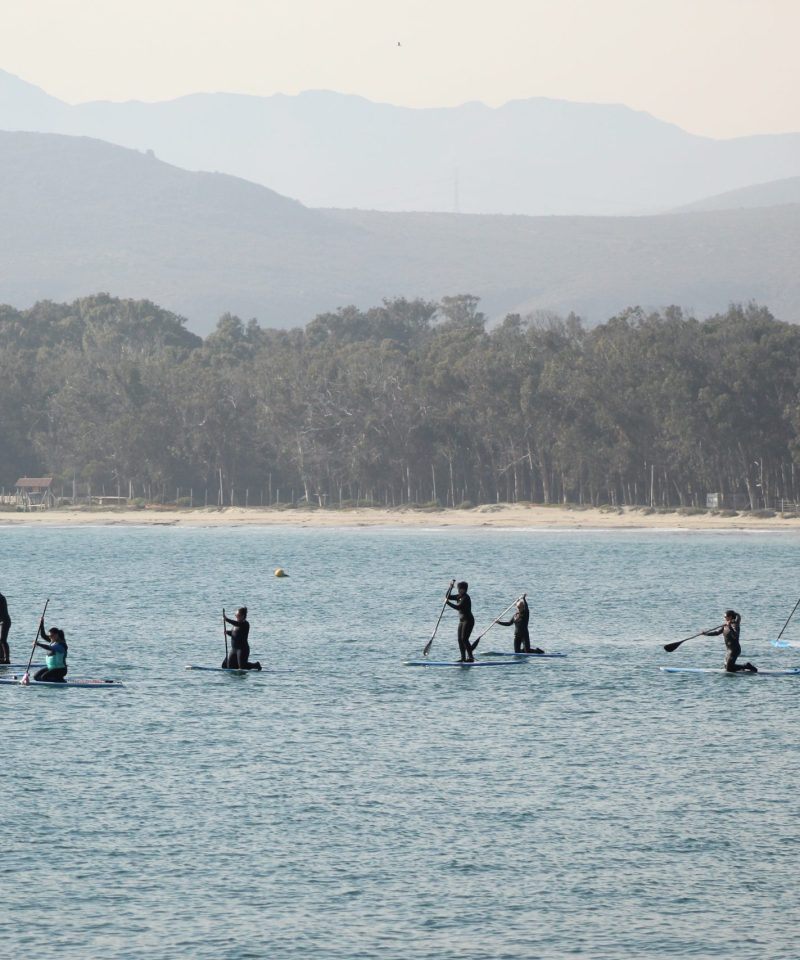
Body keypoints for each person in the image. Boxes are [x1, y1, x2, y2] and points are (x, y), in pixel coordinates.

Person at [445, 581, 475, 662]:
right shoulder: (459, 596)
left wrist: (448, 603)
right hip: (461, 621)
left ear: (465, 589)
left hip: (468, 621)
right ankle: (463, 658)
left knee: (464, 639)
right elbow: (447, 596)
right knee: (459, 639)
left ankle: (471, 658)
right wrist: (450, 588)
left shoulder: (466, 597)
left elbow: (459, 607)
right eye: (459, 589)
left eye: (461, 589)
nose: (459, 590)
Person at [0, 590, 10, 664]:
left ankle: (7, 659)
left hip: (5, 622)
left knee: (2, 640)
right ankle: (1, 658)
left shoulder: (1, 598)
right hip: (1, 621)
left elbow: (2, 613)